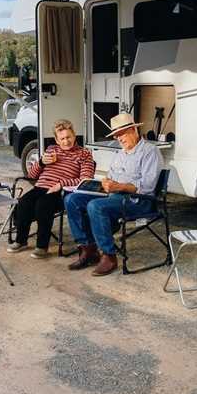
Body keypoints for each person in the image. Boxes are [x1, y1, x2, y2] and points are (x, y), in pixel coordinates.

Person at [64, 113, 162, 276]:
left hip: (138, 201)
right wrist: (106, 182)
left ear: (133, 129)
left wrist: (119, 186)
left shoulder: (150, 151)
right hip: (115, 195)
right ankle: (87, 249)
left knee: (95, 206)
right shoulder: (120, 154)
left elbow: (147, 187)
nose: (119, 139)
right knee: (72, 199)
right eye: (116, 136)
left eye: (121, 134)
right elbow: (111, 176)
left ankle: (108, 256)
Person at [7, 119, 94, 258]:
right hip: (41, 186)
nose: (66, 141)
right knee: (23, 202)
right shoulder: (51, 150)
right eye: (62, 138)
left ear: (74, 135)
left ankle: (42, 246)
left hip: (62, 191)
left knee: (43, 205)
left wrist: (62, 184)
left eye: (69, 137)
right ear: (57, 140)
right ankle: (21, 240)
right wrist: (41, 162)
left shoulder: (84, 154)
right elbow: (31, 175)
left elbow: (85, 180)